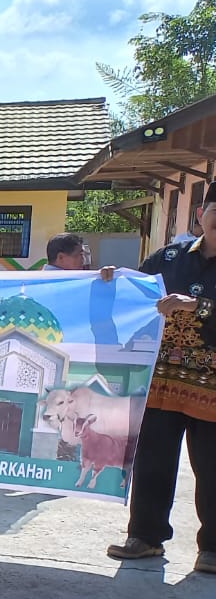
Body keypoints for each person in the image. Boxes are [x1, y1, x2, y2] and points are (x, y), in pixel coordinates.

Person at [109, 185, 216, 574]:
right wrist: (110, 280)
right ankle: (146, 537)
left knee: (212, 467)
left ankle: (213, 550)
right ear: (202, 213)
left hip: (212, 388)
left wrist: (199, 306)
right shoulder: (170, 257)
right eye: (215, 209)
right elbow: (133, 292)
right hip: (162, 382)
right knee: (153, 462)